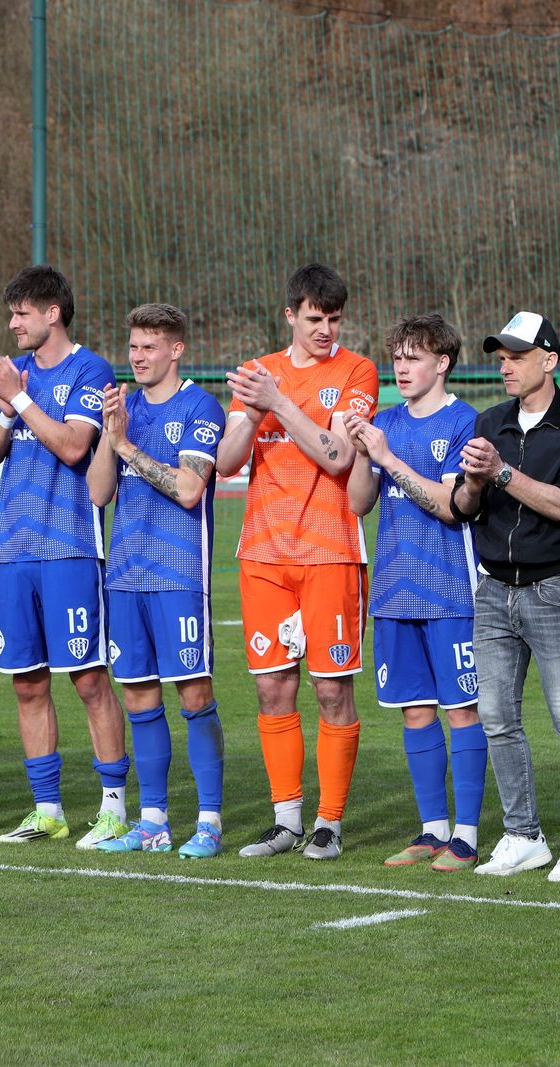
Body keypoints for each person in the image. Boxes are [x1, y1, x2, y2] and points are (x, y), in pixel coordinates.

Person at [214, 263, 379, 861]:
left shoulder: (357, 371)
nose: (325, 330)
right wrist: (256, 410)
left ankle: (329, 822)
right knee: (272, 688)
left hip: (330, 552)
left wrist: (279, 402)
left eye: (334, 319)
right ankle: (286, 821)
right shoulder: (257, 374)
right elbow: (227, 462)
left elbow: (338, 457)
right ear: (290, 315)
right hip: (263, 554)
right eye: (314, 318)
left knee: (332, 690)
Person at [0, 264, 130, 847]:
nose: (13, 323)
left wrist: (18, 395)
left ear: (52, 313)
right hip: (12, 550)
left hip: (70, 547)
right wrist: (6, 406)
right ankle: (47, 810)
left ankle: (113, 808)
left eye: (22, 314)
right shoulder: (14, 375)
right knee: (27, 684)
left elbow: (72, 446)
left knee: (89, 680)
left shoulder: (89, 369)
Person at [450, 310, 560, 880]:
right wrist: (472, 484)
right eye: (501, 357)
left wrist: (501, 473)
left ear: (550, 360)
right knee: (496, 717)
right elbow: (463, 508)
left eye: (517, 356)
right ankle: (523, 835)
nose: (505, 366)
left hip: (552, 587)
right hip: (492, 588)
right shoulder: (489, 420)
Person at [86, 303, 227, 859]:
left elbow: (189, 489)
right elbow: (99, 492)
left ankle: (209, 821)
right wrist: (109, 435)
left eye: (149, 346)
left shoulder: (199, 406)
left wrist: (126, 445)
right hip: (126, 575)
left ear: (176, 349)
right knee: (139, 695)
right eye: (133, 346)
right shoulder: (125, 408)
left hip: (180, 576)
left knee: (194, 694)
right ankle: (153, 821)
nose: (138, 356)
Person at [345, 314, 486, 873]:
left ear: (442, 363)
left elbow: (451, 506)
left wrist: (386, 457)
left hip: (451, 592)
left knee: (462, 711)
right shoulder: (385, 422)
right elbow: (359, 503)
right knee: (415, 711)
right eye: (397, 358)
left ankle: (467, 835)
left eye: (414, 357)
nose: (401, 368)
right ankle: (433, 830)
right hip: (393, 593)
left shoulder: (464, 422)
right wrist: (363, 451)